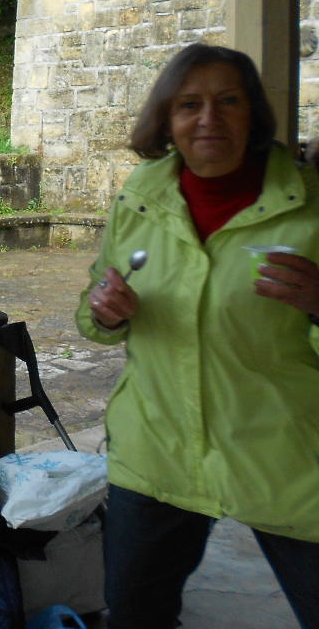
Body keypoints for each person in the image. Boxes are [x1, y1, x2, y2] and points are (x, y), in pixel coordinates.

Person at [78, 43, 319, 629]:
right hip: (155, 454)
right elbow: (94, 308)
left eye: (227, 101)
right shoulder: (139, 198)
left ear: (253, 114)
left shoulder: (310, 206)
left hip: (287, 459)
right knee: (135, 616)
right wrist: (106, 312)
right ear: (167, 121)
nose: (209, 118)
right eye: (189, 104)